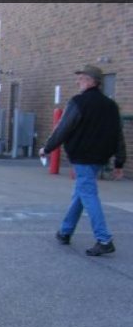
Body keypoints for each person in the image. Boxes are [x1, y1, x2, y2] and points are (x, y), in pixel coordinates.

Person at [39, 64, 126, 256]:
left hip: (82, 156)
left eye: (81, 78)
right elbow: (118, 135)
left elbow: (63, 128)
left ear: (91, 81)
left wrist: (47, 148)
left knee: (87, 194)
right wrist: (119, 162)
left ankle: (104, 239)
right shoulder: (111, 106)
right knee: (81, 193)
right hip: (100, 158)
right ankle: (65, 231)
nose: (78, 81)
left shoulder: (78, 102)